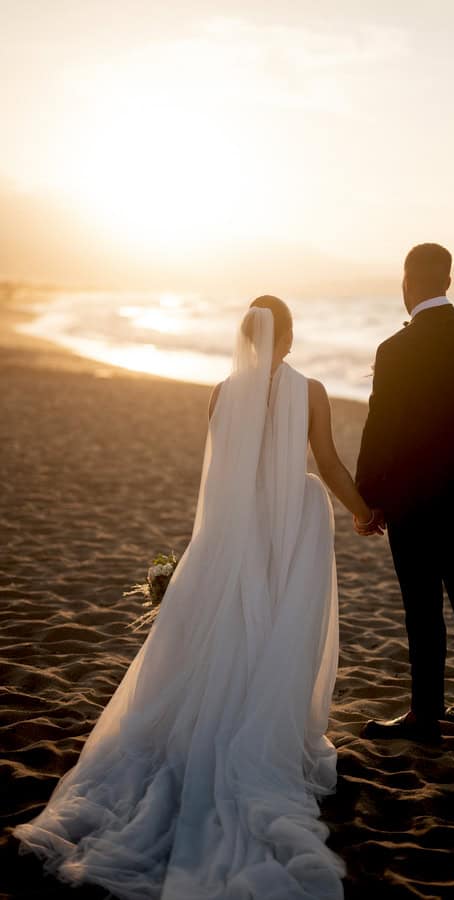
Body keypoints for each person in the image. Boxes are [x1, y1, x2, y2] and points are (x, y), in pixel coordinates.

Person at [14, 296, 375, 900]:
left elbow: (222, 480)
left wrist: (214, 543)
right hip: (293, 523)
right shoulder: (309, 390)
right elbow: (330, 464)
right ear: (285, 338)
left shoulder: (221, 392)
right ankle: (270, 731)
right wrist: (364, 512)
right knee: (285, 630)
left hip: (234, 531)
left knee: (232, 626)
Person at [355, 244, 454, 744]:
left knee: (422, 604)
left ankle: (426, 714)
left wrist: (368, 495)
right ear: (447, 280)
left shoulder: (395, 350)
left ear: (407, 283)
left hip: (412, 497)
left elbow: (382, 429)